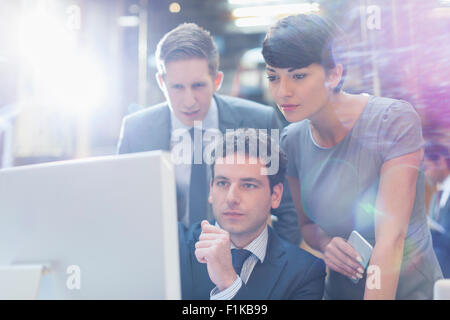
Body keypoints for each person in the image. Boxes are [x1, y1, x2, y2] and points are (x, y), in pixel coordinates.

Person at [262, 14, 443, 299]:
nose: (283, 91)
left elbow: (391, 240)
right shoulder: (292, 140)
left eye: (298, 76)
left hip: (408, 291)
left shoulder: (393, 120)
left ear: (334, 74)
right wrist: (327, 242)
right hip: (342, 291)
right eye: (273, 77)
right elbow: (307, 226)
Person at [117, 23, 301, 245]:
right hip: (163, 259)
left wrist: (272, 271)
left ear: (217, 81)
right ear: (161, 82)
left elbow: (288, 209)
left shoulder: (259, 122)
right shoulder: (136, 131)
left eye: (198, 86)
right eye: (177, 87)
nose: (189, 101)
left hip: (239, 264)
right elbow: (123, 209)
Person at [178, 129, 326, 299]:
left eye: (248, 185)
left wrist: (229, 284)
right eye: (222, 183)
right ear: (211, 189)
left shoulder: (305, 273)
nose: (231, 198)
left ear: (275, 195)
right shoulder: (175, 248)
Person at [425, 142, 450, 278]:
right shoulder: (435, 196)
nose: (426, 173)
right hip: (438, 275)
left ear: (440, 161)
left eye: (427, 166)